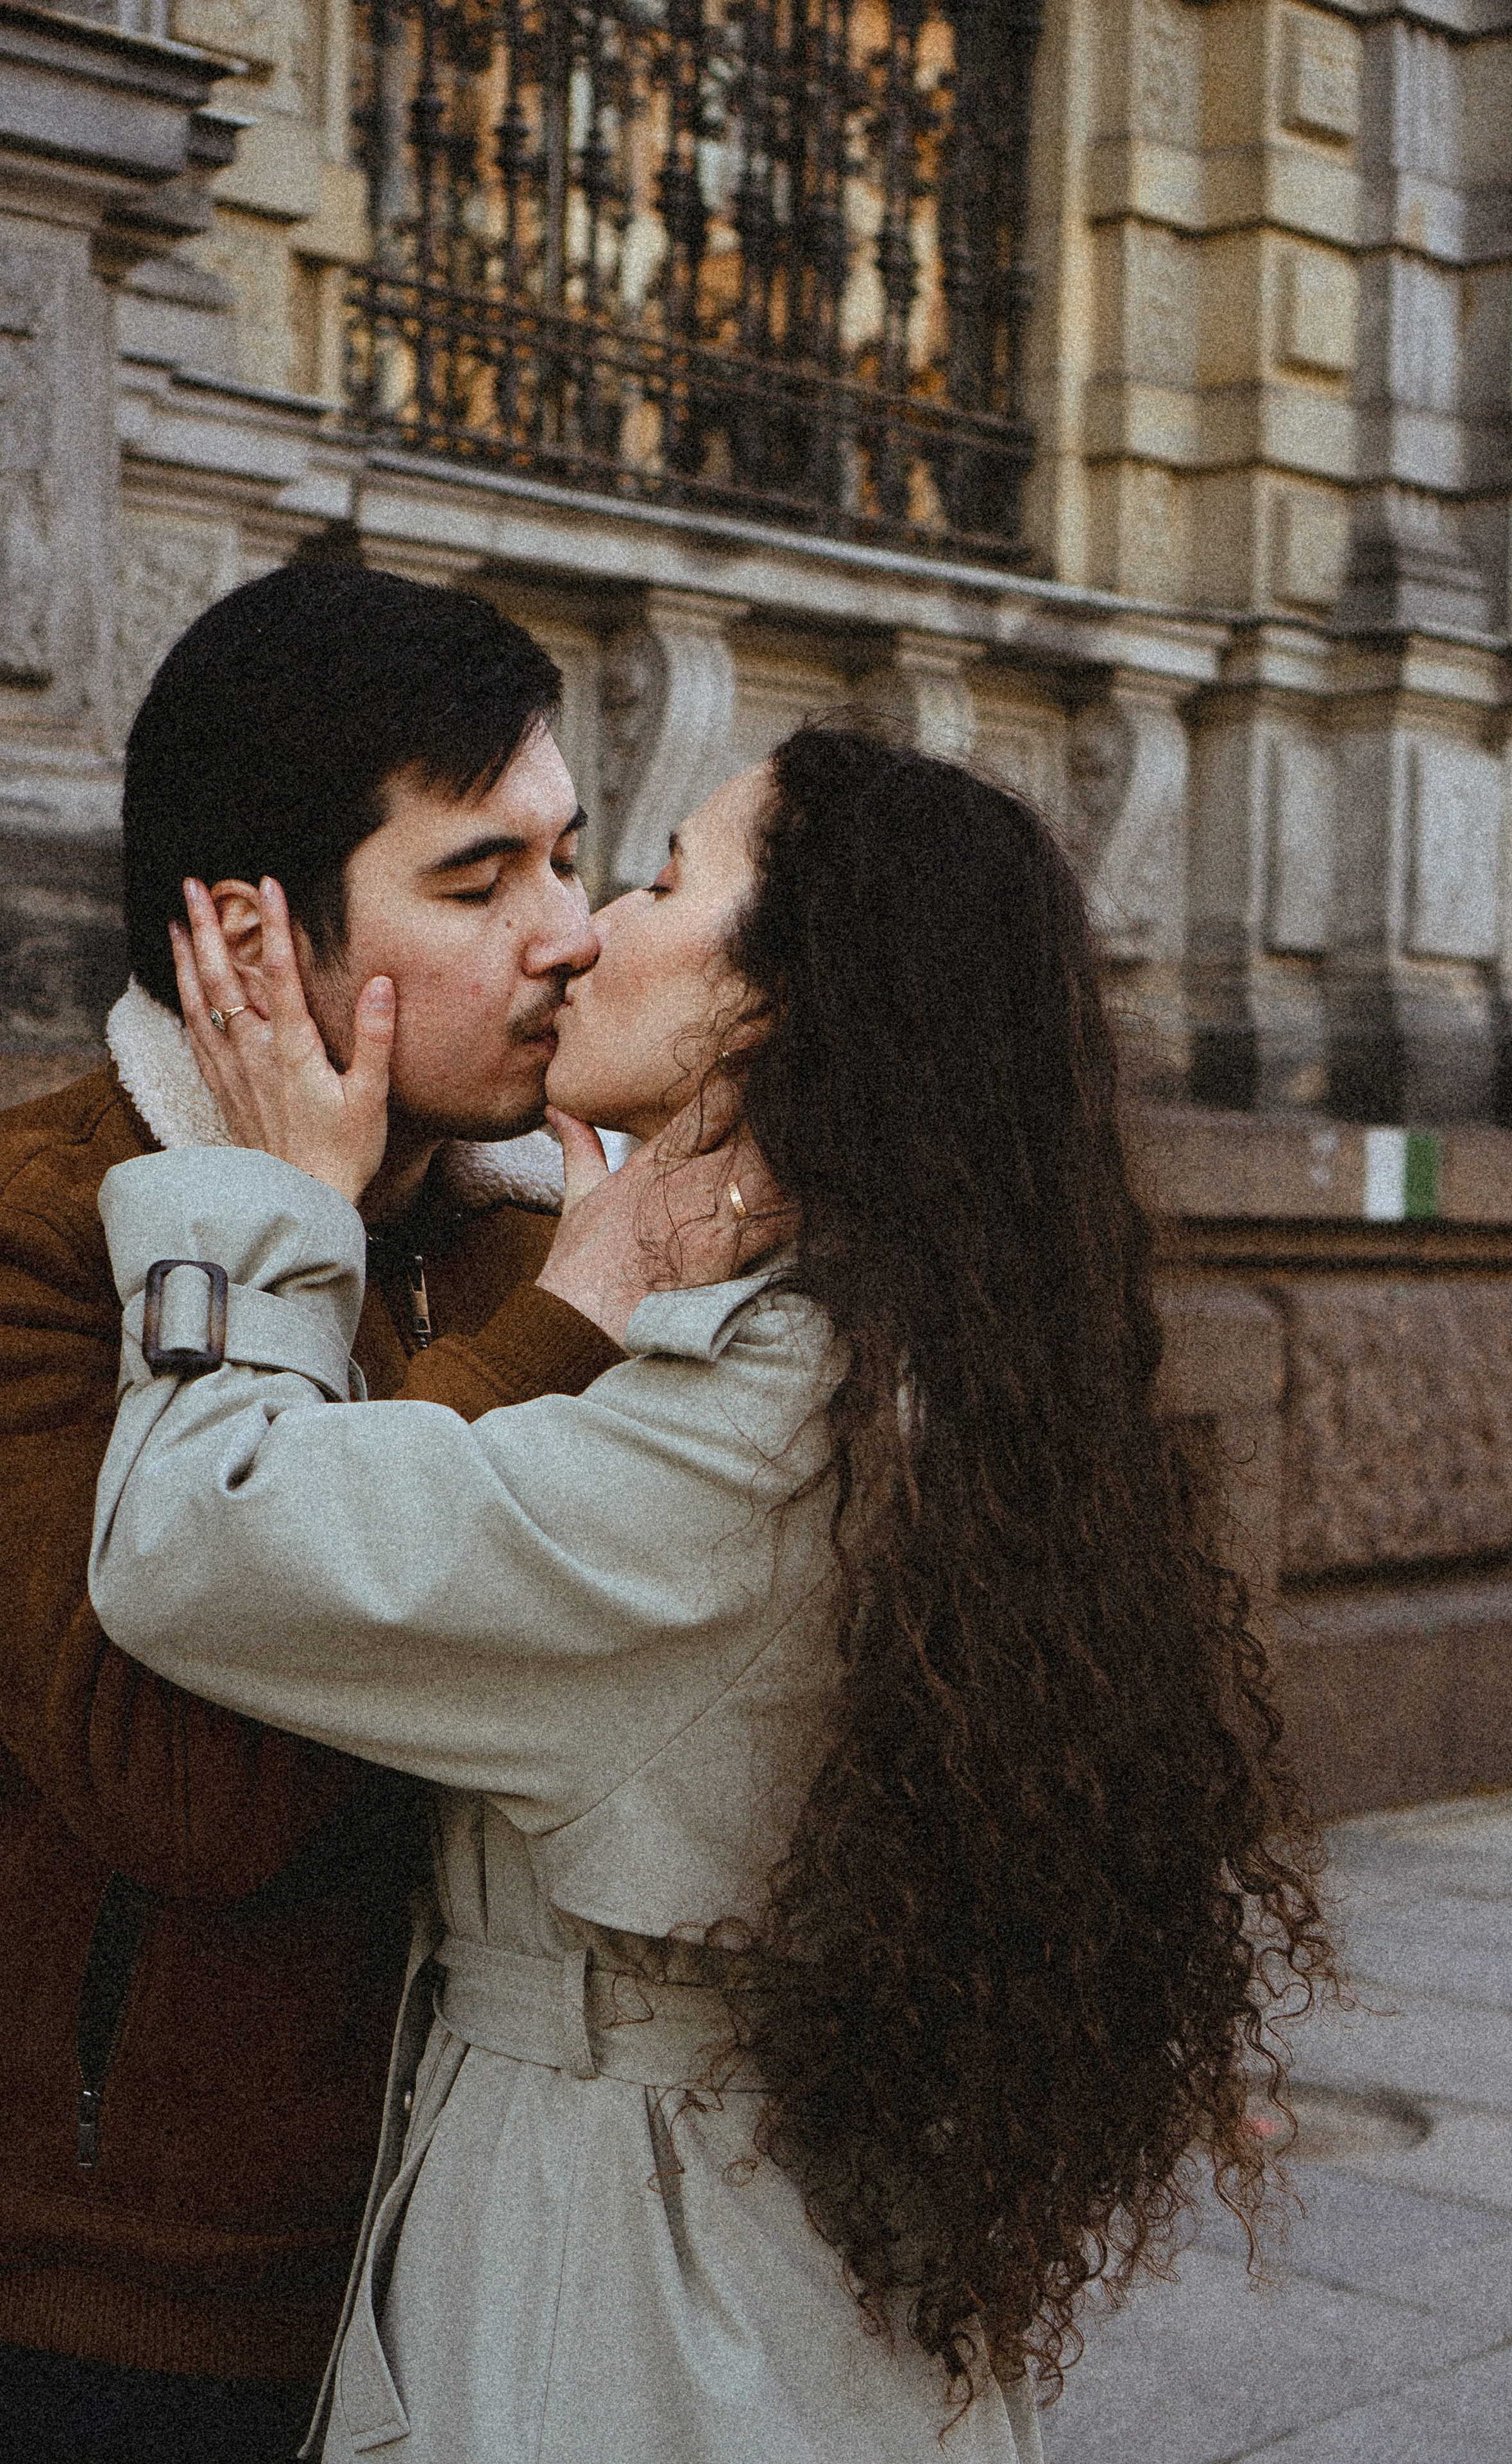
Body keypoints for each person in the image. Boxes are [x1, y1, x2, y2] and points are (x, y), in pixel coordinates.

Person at [88, 724, 1338, 2463]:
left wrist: (266, 1201)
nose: (584, 926)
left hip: (634, 2289)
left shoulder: (764, 1428)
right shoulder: (902, 1339)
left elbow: (206, 1543)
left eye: (661, 878)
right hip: (756, 2239)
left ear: (772, 1005)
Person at [0, 560, 764, 2464]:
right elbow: (193, 1794)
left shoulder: (516, 1228)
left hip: (445, 2259)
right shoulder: (40, 1232)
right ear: (252, 937)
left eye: (573, 861)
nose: (570, 937)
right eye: (477, 882)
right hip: (123, 2296)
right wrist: (536, 1324)